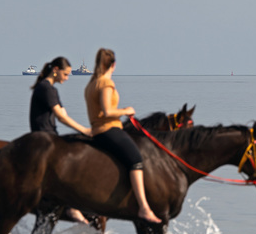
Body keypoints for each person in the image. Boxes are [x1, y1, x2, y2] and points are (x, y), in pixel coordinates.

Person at [84, 48, 162, 224]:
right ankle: (143, 207)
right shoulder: (106, 84)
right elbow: (107, 111)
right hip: (108, 129)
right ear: (113, 65)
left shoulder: (91, 84)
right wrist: (127, 111)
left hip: (97, 131)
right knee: (136, 160)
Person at [30, 56, 92, 224]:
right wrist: (85, 130)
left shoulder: (51, 89)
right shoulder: (46, 88)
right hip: (45, 136)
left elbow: (63, 114)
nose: (67, 78)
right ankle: (72, 206)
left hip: (51, 133)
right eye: (65, 74)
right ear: (55, 70)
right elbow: (61, 118)